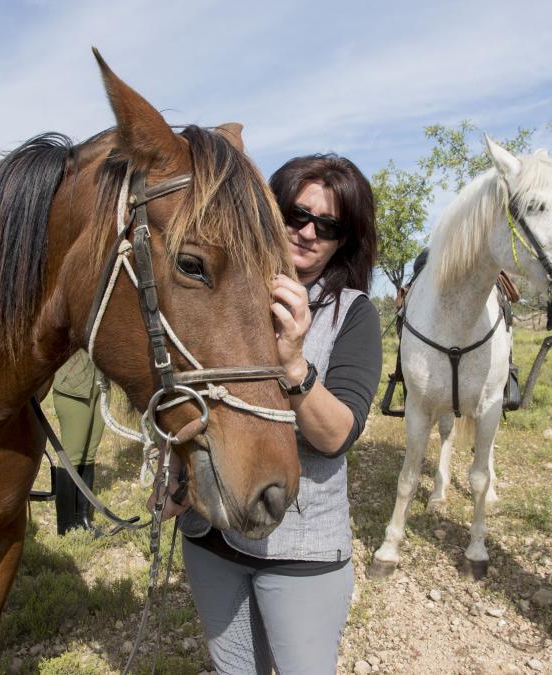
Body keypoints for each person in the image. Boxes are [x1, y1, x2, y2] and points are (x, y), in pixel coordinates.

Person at [154, 154, 382, 674]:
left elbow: (336, 435)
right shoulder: (225, 294)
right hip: (211, 538)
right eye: (294, 214)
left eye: (327, 226)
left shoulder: (354, 315)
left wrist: (295, 364)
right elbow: (192, 390)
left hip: (298, 555)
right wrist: (174, 466)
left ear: (343, 240)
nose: (306, 232)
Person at [52, 349, 105, 535]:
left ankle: (82, 518)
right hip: (74, 386)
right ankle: (65, 526)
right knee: (71, 457)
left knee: (89, 454)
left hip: (100, 382)